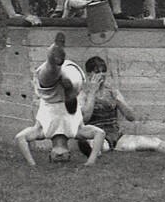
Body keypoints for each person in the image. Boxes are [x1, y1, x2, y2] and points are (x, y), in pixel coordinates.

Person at [75, 56, 165, 156]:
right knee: (97, 144)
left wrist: (117, 99)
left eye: (103, 71)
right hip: (97, 134)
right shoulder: (83, 93)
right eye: (97, 71)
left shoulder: (112, 90)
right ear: (89, 74)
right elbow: (85, 118)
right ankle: (93, 150)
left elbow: (131, 117)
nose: (101, 75)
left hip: (116, 135)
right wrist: (92, 92)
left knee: (153, 142)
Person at [15, 33, 105, 166]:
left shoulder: (41, 132)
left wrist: (32, 164)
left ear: (50, 154)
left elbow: (20, 138)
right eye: (64, 158)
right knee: (63, 79)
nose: (59, 157)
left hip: (50, 95)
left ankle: (53, 59)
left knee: (49, 78)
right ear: (69, 153)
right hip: (73, 81)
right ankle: (59, 68)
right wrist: (90, 162)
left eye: (56, 158)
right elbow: (100, 133)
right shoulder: (76, 131)